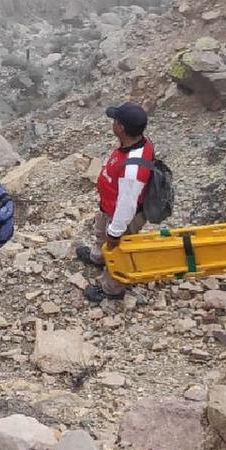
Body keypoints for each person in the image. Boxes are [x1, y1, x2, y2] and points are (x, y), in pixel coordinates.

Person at [75, 102, 154, 302]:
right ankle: (98, 257)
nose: (113, 123)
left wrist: (116, 231)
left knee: (118, 250)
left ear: (121, 128)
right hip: (108, 205)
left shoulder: (132, 170)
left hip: (122, 216)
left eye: (115, 121)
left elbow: (127, 204)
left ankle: (112, 288)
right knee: (100, 234)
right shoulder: (135, 143)